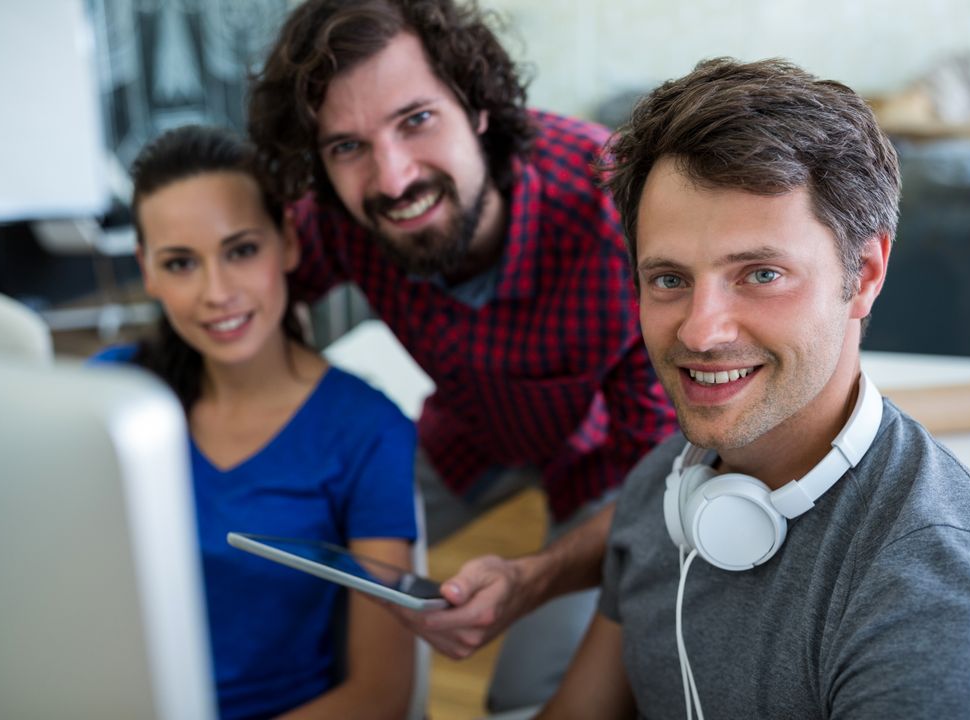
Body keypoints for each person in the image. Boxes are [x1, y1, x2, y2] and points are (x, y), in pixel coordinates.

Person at [247, 0, 677, 708]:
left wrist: (532, 578)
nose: (391, 179)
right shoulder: (340, 217)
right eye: (347, 146)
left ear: (477, 106)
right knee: (298, 571)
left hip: (602, 459)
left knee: (526, 700)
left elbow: (662, 481)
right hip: (466, 433)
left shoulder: (614, 218)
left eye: (416, 120)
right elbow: (248, 292)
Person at [539, 58, 970, 719]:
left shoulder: (933, 598)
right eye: (669, 279)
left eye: (760, 274)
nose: (700, 331)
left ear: (864, 274)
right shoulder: (664, 484)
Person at [91, 125, 419, 720]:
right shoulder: (108, 399)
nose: (217, 292)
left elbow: (380, 696)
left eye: (241, 250)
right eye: (181, 263)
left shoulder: (367, 431)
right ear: (148, 270)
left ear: (288, 242)